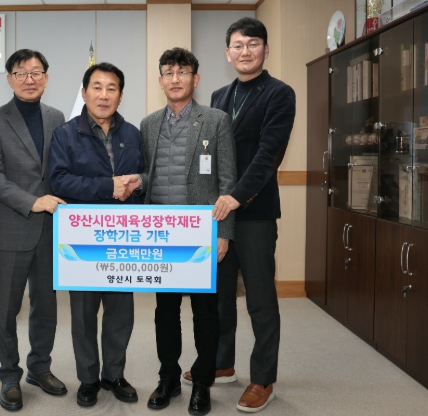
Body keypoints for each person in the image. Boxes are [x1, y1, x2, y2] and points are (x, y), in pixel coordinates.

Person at [181, 17, 296, 413]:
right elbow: (209, 155)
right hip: (217, 215)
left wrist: (236, 196)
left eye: (252, 44)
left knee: (260, 299)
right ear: (227, 53)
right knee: (219, 296)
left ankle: (263, 379)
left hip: (254, 212)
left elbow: (269, 155)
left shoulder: (279, 94)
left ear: (265, 49)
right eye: (237, 45)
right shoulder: (219, 95)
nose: (245, 51)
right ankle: (222, 363)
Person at [139, 47, 236, 416]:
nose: (175, 78)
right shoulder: (149, 124)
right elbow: (148, 176)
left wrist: (223, 232)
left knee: (205, 312)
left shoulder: (215, 120)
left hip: (201, 235)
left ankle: (203, 382)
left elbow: (228, 182)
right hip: (162, 235)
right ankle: (168, 377)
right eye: (169, 72)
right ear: (160, 80)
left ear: (195, 79)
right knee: (165, 311)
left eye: (183, 72)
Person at [48, 62, 144, 408]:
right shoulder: (64, 134)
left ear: (120, 94)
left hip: (123, 238)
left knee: (121, 313)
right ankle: (88, 378)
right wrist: (107, 187)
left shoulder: (133, 133)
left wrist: (135, 185)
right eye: (97, 87)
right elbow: (58, 181)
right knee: (84, 314)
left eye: (112, 88)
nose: (104, 95)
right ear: (85, 92)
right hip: (83, 238)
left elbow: (143, 177)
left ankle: (113, 375)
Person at [0, 49, 67, 411]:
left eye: (36, 72)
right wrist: (33, 201)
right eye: (21, 73)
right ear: (10, 79)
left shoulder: (57, 117)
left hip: (51, 230)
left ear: (46, 77)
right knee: (6, 309)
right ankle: (10, 375)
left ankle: (39, 368)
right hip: (12, 226)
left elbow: (62, 168)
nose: (29, 79)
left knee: (46, 306)